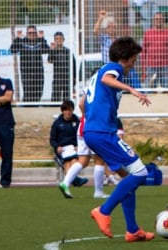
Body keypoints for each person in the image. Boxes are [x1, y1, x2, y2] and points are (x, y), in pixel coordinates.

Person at [84, 37, 154, 242]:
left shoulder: (97, 75)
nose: (133, 65)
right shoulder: (112, 69)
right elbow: (108, 78)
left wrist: (93, 122)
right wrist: (131, 89)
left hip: (94, 132)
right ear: (124, 59)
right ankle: (103, 211)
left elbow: (82, 103)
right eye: (133, 61)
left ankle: (132, 230)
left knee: (129, 178)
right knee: (141, 172)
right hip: (102, 133)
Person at [58, 95, 120, 199]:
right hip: (93, 130)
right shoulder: (102, 92)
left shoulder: (91, 90)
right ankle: (98, 192)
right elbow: (83, 105)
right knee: (99, 160)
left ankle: (65, 182)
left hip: (83, 128)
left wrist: (87, 116)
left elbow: (81, 103)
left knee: (83, 161)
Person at [94, 10, 141, 89]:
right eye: (110, 27)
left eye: (113, 27)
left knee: (132, 72)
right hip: (108, 63)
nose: (112, 29)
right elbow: (95, 31)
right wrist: (100, 18)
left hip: (119, 64)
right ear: (106, 29)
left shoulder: (118, 40)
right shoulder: (104, 38)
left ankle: (140, 90)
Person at [49, 100, 88, 187]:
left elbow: (80, 136)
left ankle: (72, 181)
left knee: (73, 161)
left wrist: (77, 145)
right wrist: (57, 146)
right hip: (62, 149)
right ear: (63, 111)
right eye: (66, 110)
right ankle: (76, 180)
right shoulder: (57, 124)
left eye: (70, 110)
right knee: (67, 163)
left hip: (73, 149)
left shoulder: (76, 122)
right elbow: (52, 139)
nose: (68, 112)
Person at [10, 25, 50, 102]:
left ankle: (35, 110)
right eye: (30, 33)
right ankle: (26, 108)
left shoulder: (39, 41)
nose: (32, 34)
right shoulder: (22, 41)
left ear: (36, 33)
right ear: (27, 33)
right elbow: (12, 50)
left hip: (38, 73)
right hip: (26, 73)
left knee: (39, 93)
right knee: (28, 93)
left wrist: (42, 39)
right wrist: (17, 39)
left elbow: (46, 50)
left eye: (33, 33)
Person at [141, 12, 168, 89]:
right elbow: (143, 52)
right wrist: (144, 69)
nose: (158, 20)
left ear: (163, 20)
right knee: (149, 90)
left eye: (160, 19)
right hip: (151, 66)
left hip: (165, 66)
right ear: (153, 20)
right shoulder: (148, 33)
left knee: (167, 89)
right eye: (156, 19)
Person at [48, 31, 76, 102]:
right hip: (57, 77)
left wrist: (74, 77)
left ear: (63, 40)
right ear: (54, 40)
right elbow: (50, 60)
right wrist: (52, 50)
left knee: (67, 98)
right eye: (56, 39)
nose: (58, 40)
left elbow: (73, 64)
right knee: (55, 97)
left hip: (67, 77)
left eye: (60, 39)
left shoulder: (68, 51)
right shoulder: (53, 51)